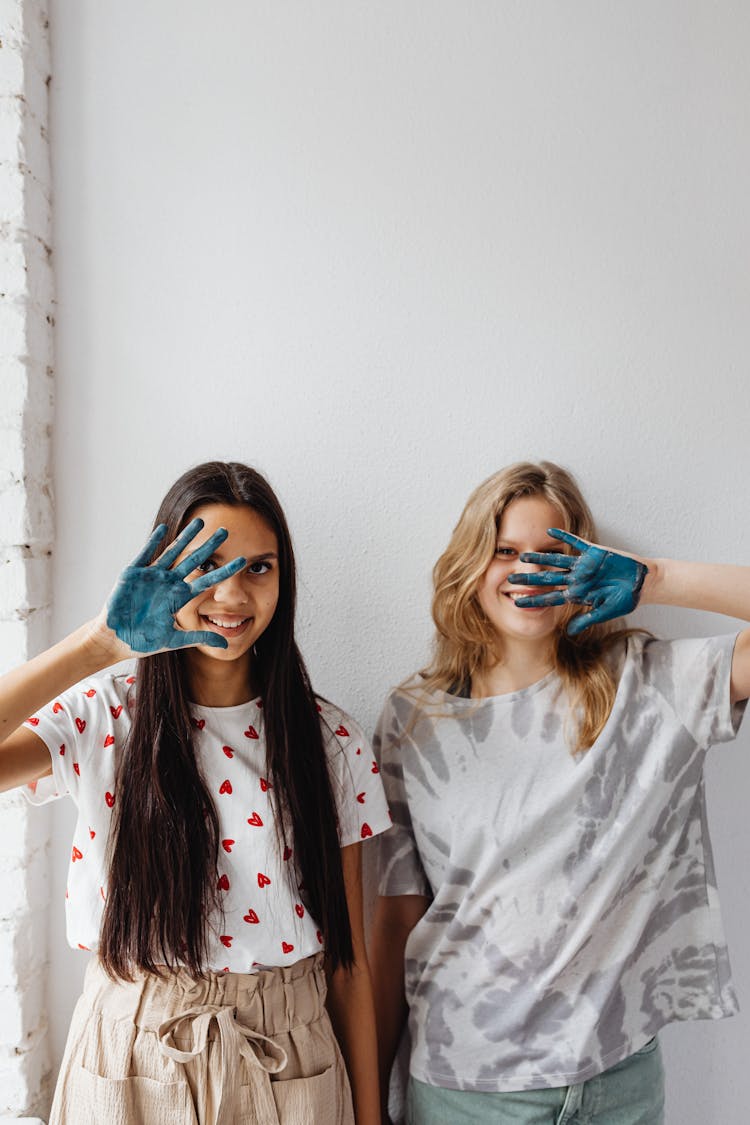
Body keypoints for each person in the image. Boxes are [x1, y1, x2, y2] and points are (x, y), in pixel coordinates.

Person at [0, 460, 390, 1125]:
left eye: (258, 568)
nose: (231, 595)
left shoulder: (331, 739)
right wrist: (101, 643)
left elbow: (350, 967)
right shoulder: (106, 714)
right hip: (130, 1051)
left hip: (290, 1052)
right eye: (206, 565)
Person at [369, 460, 749, 1125]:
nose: (527, 571)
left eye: (553, 555)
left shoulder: (650, 684)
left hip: (619, 1080)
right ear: (471, 563)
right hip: (468, 1088)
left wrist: (657, 578)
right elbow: (399, 919)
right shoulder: (414, 717)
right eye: (506, 551)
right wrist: (368, 1100)